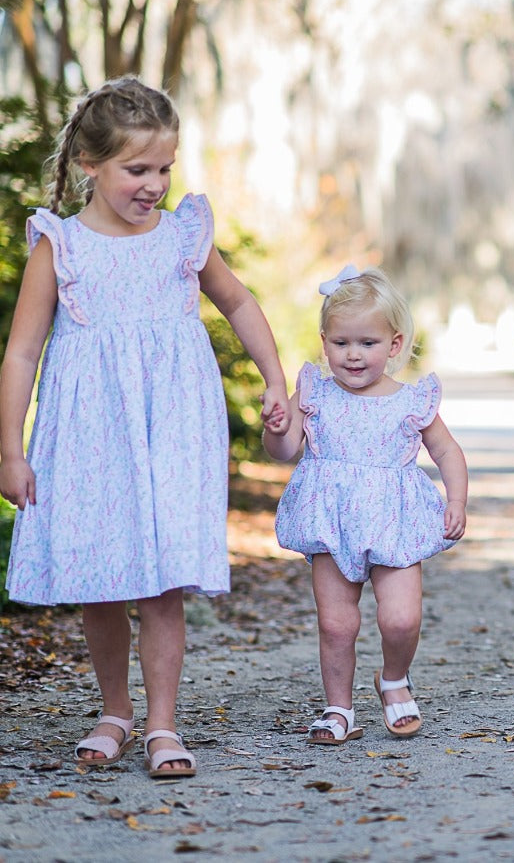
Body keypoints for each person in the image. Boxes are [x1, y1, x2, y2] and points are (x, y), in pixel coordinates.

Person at [0, 76, 290, 778]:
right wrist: (10, 448)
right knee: (101, 579)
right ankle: (114, 710)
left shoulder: (182, 237)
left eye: (164, 167)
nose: (155, 184)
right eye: (137, 169)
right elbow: (22, 350)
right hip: (90, 437)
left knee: (161, 581)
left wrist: (276, 377)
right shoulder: (60, 245)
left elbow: (239, 302)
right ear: (89, 165)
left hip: (172, 431)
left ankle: (162, 723)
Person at [264, 265, 467, 744]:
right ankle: (339, 710)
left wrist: (456, 499)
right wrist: (276, 428)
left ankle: (393, 678)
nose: (353, 355)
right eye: (341, 343)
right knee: (337, 624)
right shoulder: (314, 393)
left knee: (401, 618)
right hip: (331, 524)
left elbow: (446, 451)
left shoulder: (411, 400)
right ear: (325, 342)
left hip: (394, 522)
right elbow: (285, 450)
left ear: (394, 345)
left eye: (367, 344)